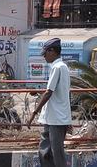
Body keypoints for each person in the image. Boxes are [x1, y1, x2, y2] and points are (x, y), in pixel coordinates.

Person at [28, 39, 72, 167]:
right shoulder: (59, 67)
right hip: (51, 118)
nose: (44, 56)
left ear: (52, 51)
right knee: (45, 151)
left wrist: (34, 112)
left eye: (45, 53)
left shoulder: (58, 67)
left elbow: (49, 92)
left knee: (56, 153)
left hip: (57, 119)